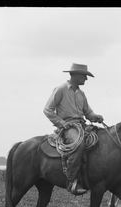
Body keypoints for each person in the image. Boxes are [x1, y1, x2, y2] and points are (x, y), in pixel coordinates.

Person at [43, 63, 104, 195]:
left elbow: (88, 113)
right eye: (84, 76)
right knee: (79, 144)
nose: (86, 79)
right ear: (76, 75)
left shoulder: (81, 93)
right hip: (69, 127)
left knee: (100, 139)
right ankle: (71, 181)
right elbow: (47, 110)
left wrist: (95, 117)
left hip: (82, 124)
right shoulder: (61, 89)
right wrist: (61, 123)